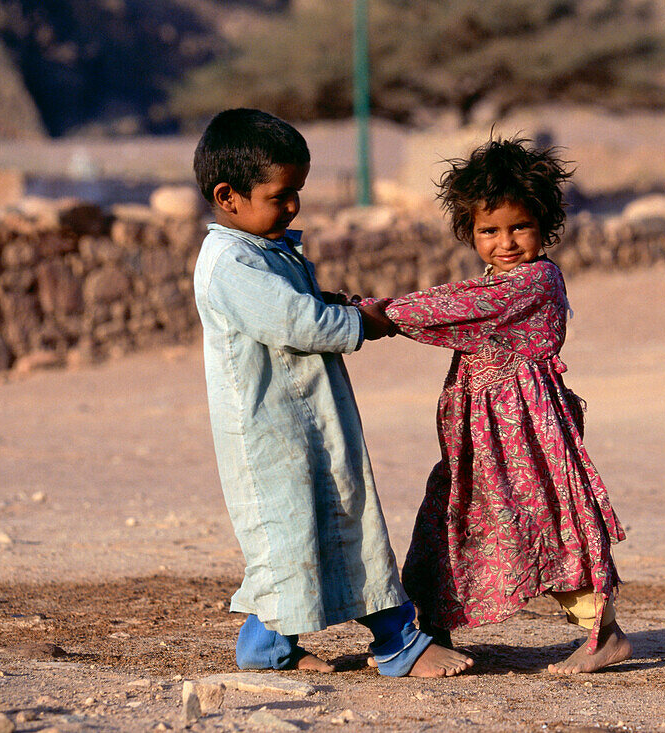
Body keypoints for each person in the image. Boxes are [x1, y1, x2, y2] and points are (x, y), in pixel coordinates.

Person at [191, 108, 472, 678]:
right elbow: (296, 323)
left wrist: (337, 303)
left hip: (310, 422)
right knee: (291, 538)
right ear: (229, 196)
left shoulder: (266, 250)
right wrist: (366, 321)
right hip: (272, 434)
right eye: (282, 194)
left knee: (336, 521)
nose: (294, 205)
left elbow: (302, 310)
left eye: (298, 191)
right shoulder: (229, 263)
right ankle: (396, 642)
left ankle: (267, 647)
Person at [371, 137, 632, 673]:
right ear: (470, 232)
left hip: (524, 432)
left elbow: (457, 306)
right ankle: (431, 629)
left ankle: (602, 633)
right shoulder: (498, 280)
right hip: (476, 435)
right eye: (489, 231)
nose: (506, 242)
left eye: (519, 227)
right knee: (448, 517)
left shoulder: (535, 281)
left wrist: (378, 313)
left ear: (544, 225)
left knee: (544, 519)